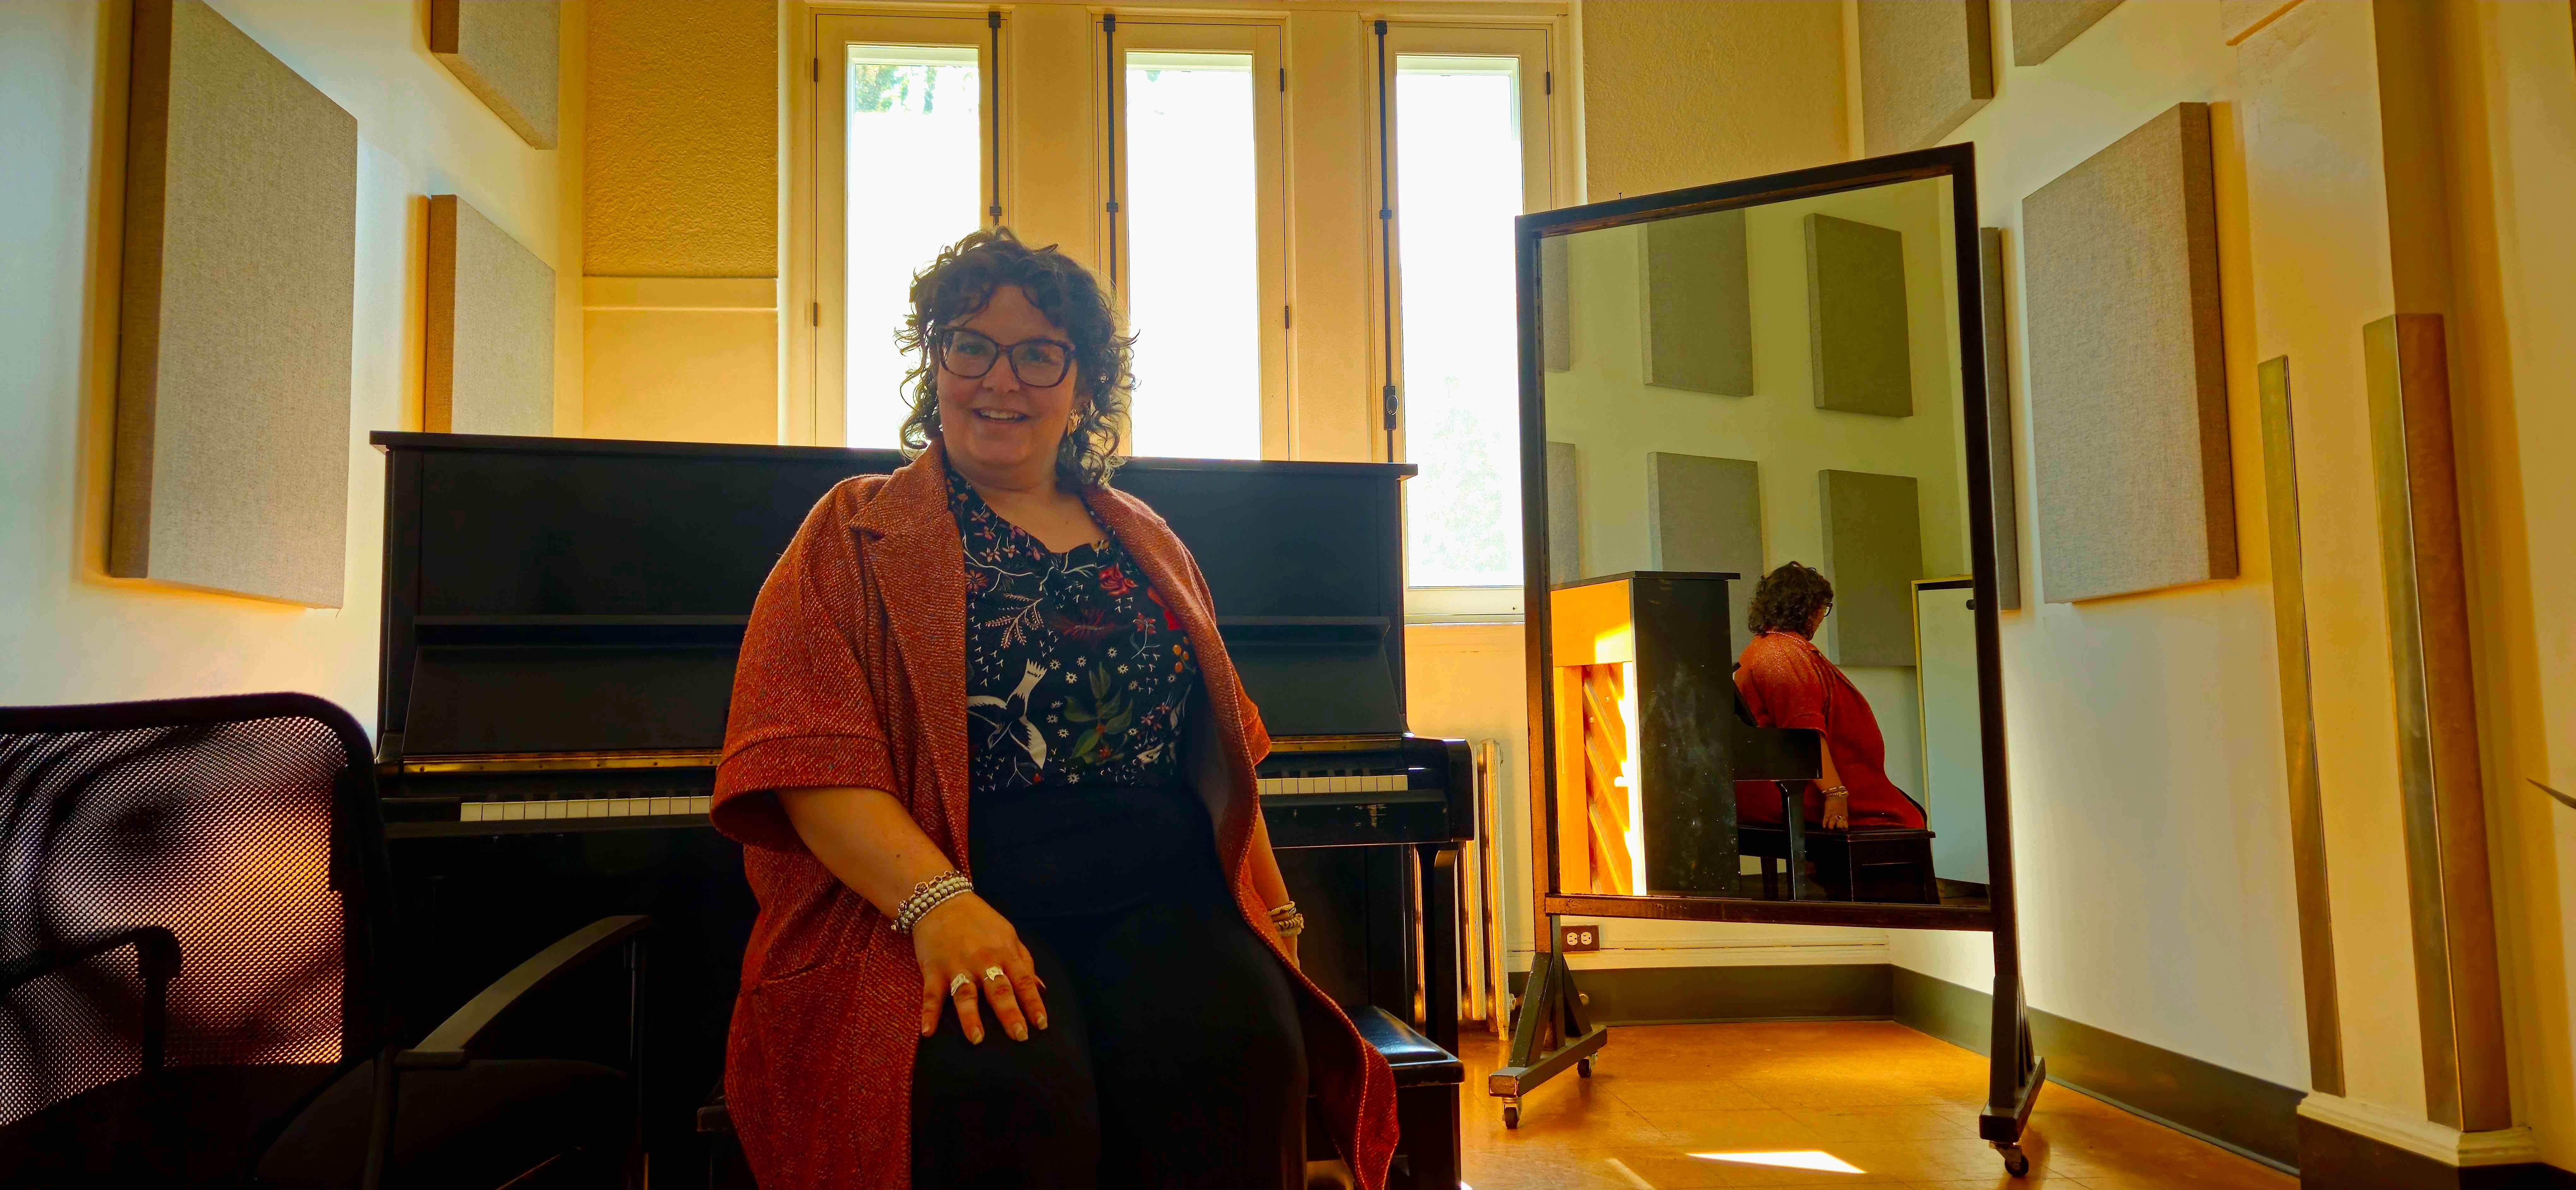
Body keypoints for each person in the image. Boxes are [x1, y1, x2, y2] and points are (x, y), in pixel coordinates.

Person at [707, 228, 1395, 1190]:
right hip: (959, 883)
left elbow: (1217, 749)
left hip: (1164, 886)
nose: (1002, 378)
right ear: (933, 361)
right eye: (971, 344)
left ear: (1082, 385)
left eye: (1039, 353)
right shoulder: (850, 530)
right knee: (1006, 1095)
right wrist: (939, 905)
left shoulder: (1145, 534)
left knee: (1238, 1060)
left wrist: (1273, 909)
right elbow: (804, 754)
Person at [1733, 562, 1929, 832]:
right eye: (1822, 608)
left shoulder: (1767, 647)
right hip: (1797, 789)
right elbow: (1805, 735)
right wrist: (1836, 794)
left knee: (1910, 810)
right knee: (1906, 820)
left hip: (1791, 783)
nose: (1821, 617)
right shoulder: (1784, 655)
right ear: (1806, 609)